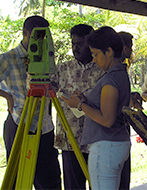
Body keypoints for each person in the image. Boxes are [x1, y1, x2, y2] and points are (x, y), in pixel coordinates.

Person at [0, 16, 61, 189]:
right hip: (19, 123)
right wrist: (6, 96)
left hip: (45, 126)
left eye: (44, 35)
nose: (40, 40)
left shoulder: (47, 57)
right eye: (36, 35)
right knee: (17, 180)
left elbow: (54, 85)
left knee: (50, 181)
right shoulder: (8, 58)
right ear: (25, 33)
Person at [63, 26, 131, 190]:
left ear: (109, 51)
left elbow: (107, 119)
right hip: (116, 143)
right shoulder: (120, 73)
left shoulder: (111, 79)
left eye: (95, 54)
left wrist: (80, 105)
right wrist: (87, 101)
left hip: (106, 147)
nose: (94, 59)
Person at [50, 24, 103, 190]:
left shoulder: (103, 70)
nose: (75, 48)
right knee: (73, 187)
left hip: (97, 141)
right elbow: (44, 89)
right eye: (73, 44)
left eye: (80, 44)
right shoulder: (62, 68)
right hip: (70, 141)